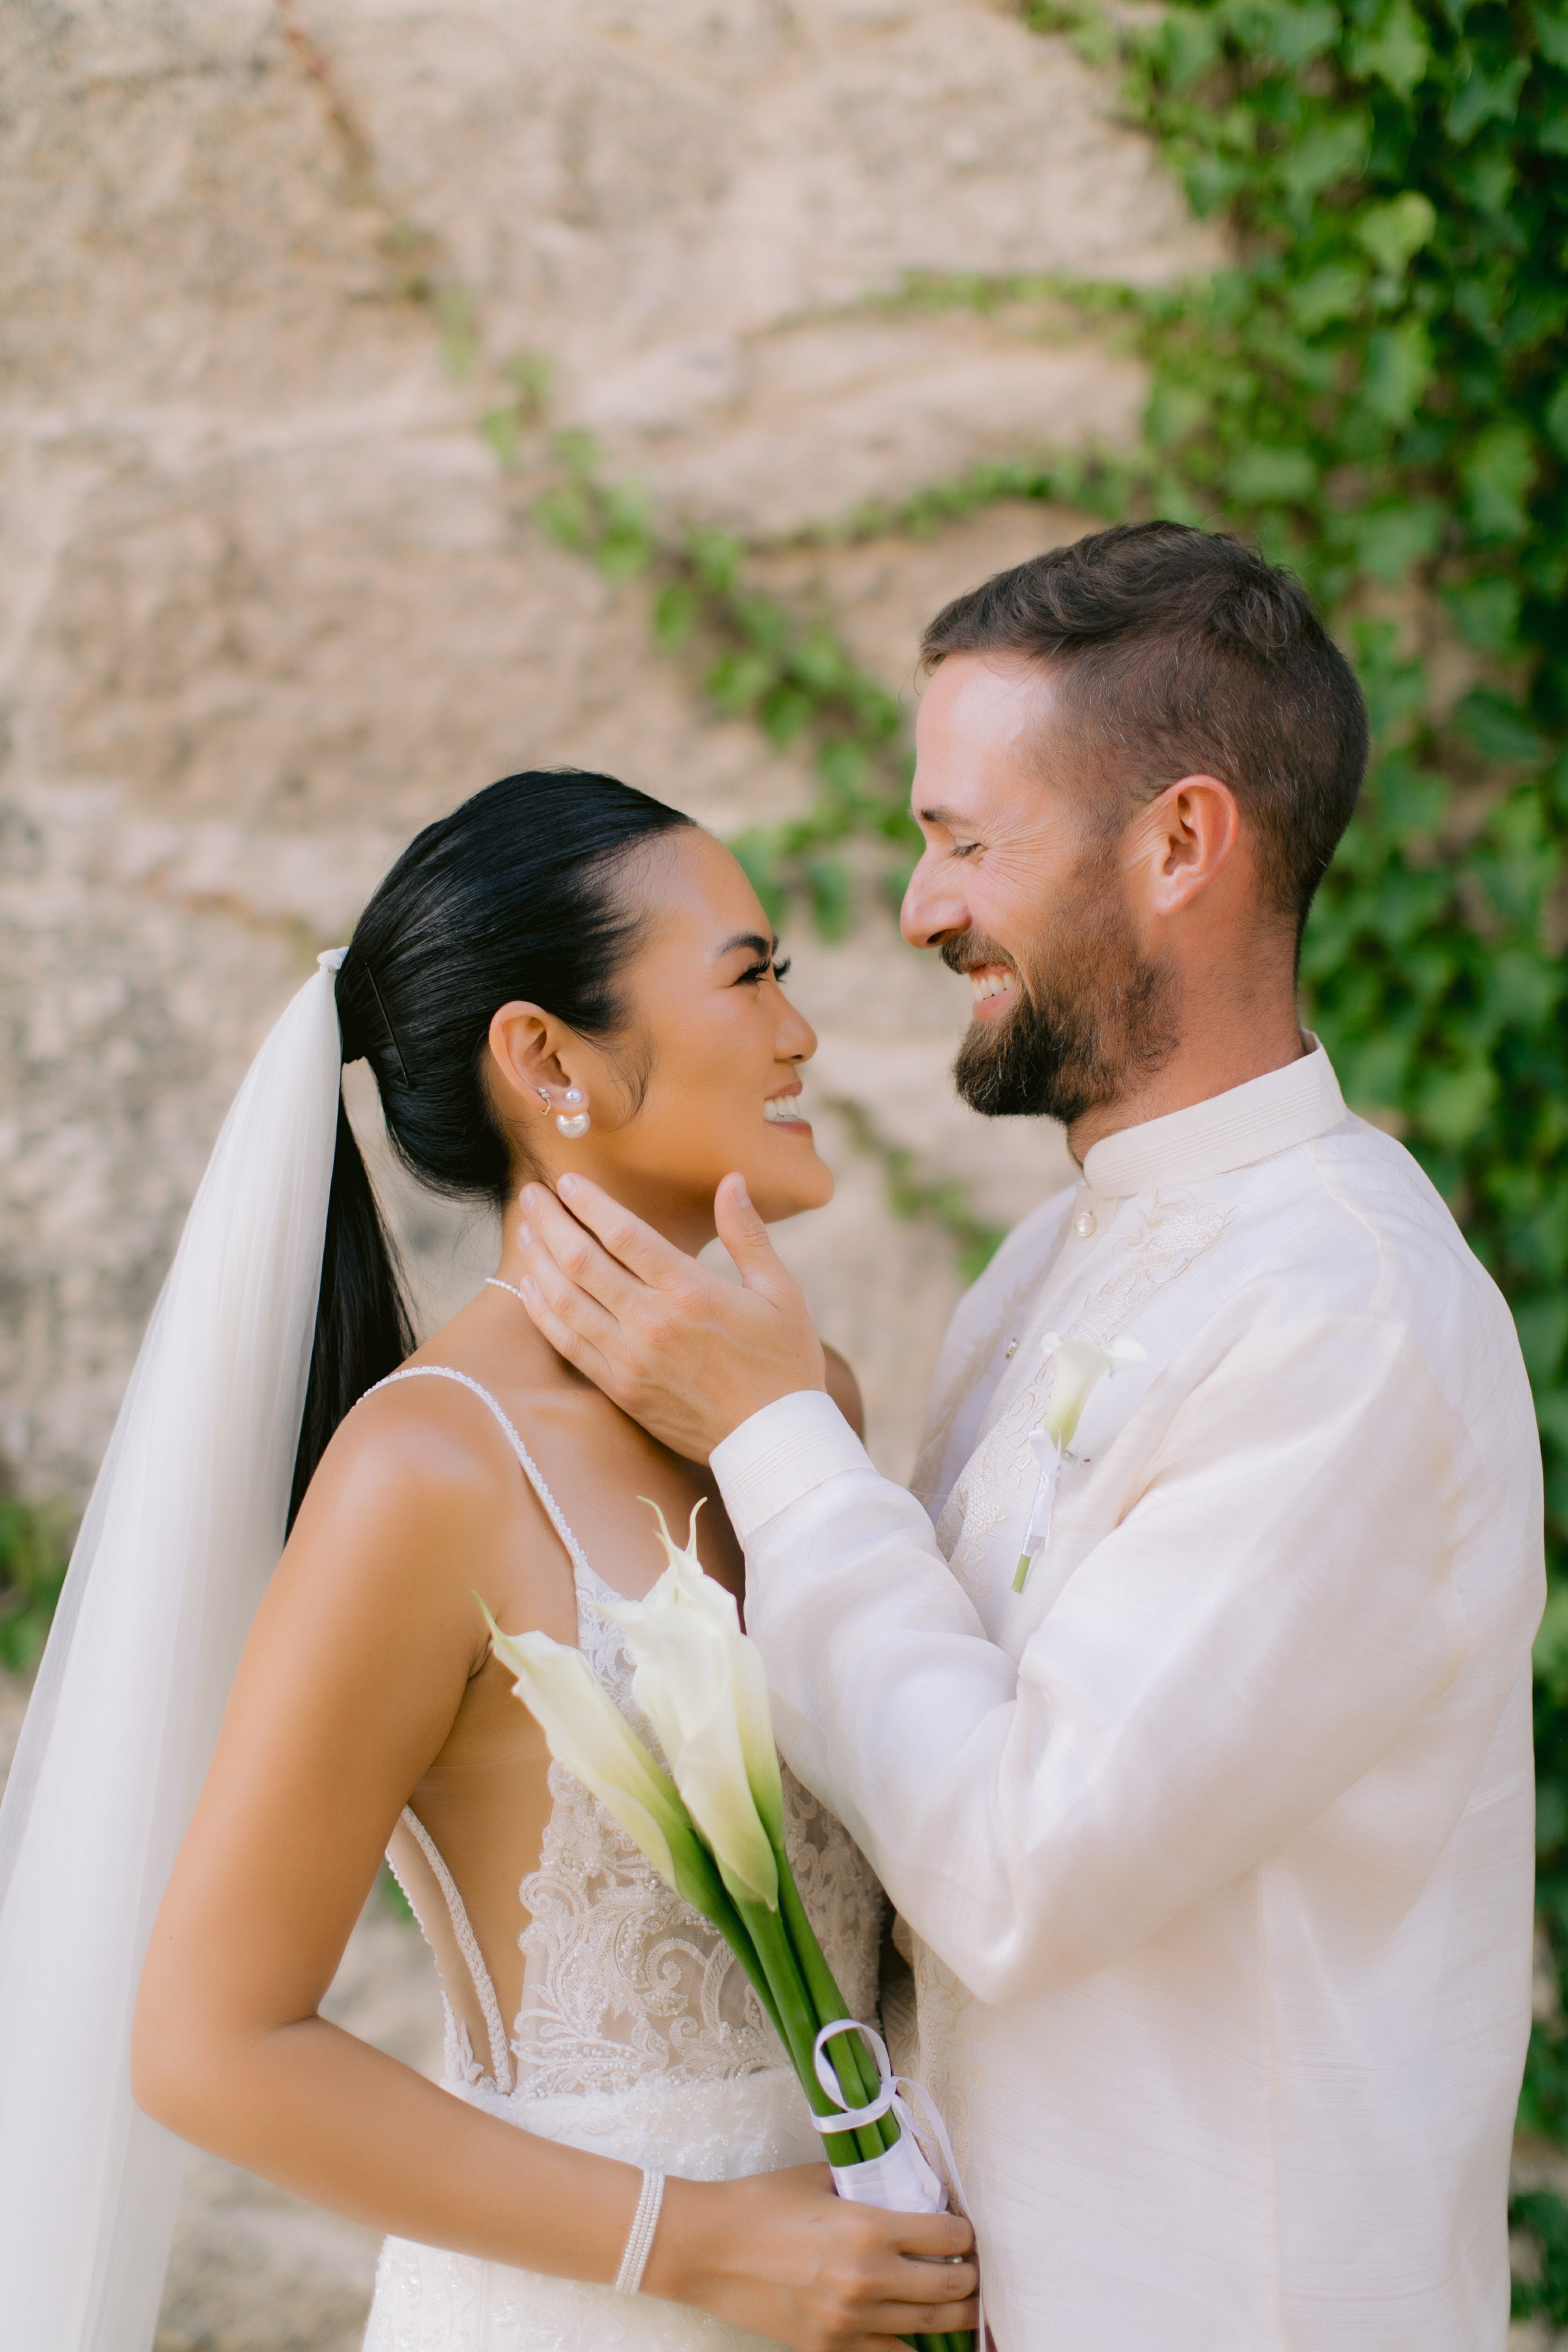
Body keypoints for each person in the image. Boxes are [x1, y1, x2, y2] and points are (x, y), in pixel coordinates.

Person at [506, 524, 1547, 2351]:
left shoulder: (1347, 1322)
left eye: (966, 843)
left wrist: (768, 1434)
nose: (919, 913)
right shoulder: (1035, 1273)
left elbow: (1012, 1865)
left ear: (1179, 846)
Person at [0, 771, 977, 2352]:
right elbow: (205, 2041)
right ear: (545, 1060)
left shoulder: (812, 1411)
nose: (801, 1032)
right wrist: (701, 2247)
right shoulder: (429, 1470)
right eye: (752, 975)